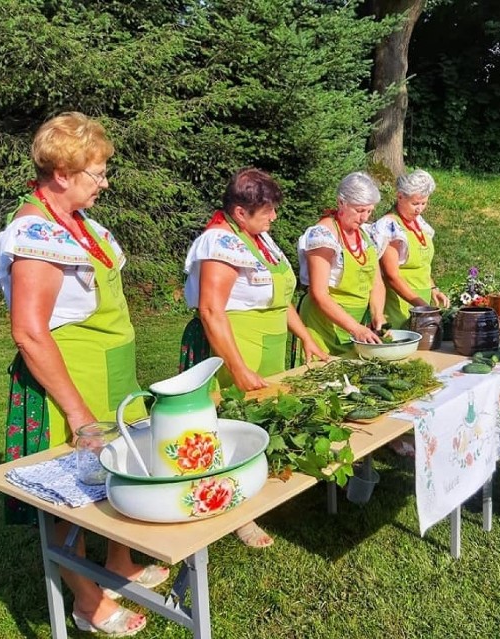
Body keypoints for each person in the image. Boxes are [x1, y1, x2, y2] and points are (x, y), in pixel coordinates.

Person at [0, 112, 167, 635]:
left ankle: (119, 564)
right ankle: (87, 602)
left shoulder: (79, 225)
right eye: (98, 172)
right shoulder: (35, 233)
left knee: (115, 475)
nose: (104, 183)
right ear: (62, 172)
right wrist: (80, 415)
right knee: (70, 496)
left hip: (109, 376)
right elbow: (31, 333)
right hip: (70, 388)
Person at [179, 167, 328, 548]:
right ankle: (238, 513)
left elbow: (280, 300)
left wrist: (306, 337)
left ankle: (260, 492)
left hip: (270, 345)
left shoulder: (259, 239)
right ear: (240, 212)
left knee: (266, 422)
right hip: (235, 346)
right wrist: (237, 367)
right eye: (267, 210)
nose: (274, 216)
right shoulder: (219, 243)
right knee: (232, 426)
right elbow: (212, 311)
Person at [296, 172, 386, 358]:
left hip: (356, 328)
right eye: (360, 210)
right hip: (323, 327)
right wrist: (354, 327)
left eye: (369, 211)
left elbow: (376, 282)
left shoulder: (366, 236)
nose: (364, 218)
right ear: (341, 202)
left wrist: (378, 314)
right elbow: (319, 294)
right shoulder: (324, 236)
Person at [370, 169, 449, 329]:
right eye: (415, 203)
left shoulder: (420, 224)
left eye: (423, 203)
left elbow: (422, 265)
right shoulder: (390, 227)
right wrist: (419, 304)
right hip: (399, 305)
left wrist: (433, 287)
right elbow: (392, 275)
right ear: (400, 196)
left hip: (423, 303)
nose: (419, 209)